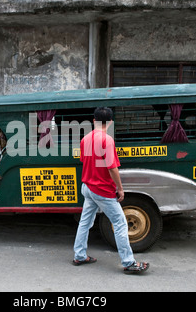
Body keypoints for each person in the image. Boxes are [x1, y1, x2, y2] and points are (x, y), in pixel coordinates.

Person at [72, 107, 149, 274]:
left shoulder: (85, 139)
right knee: (120, 223)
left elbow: (85, 162)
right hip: (101, 190)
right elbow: (112, 168)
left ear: (94, 120)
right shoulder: (107, 140)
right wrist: (120, 189)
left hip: (87, 187)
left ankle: (79, 255)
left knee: (85, 222)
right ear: (111, 122)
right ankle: (129, 262)